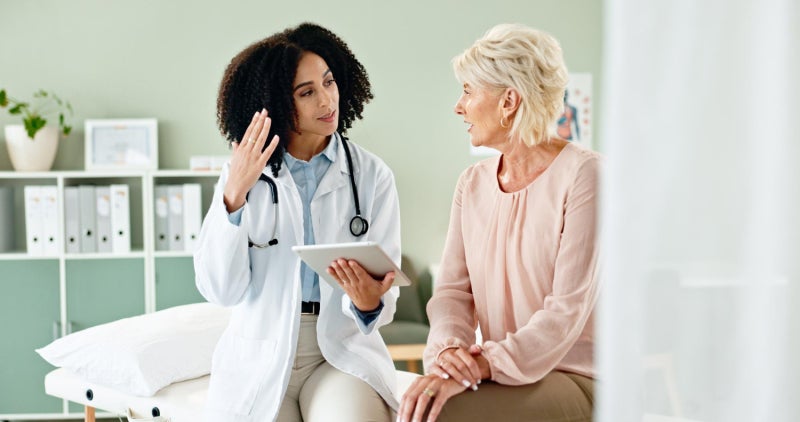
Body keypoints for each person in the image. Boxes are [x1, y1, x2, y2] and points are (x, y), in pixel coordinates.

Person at [194, 22, 402, 422]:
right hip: (262, 348)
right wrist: (234, 196)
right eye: (307, 93)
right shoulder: (243, 176)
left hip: (339, 352)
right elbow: (220, 289)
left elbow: (385, 294)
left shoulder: (372, 176)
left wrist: (368, 301)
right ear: (274, 103)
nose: (327, 101)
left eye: (328, 83)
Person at [398, 23, 601, 422]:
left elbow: (565, 312)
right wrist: (450, 353)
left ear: (509, 100)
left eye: (469, 91)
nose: (459, 106)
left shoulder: (586, 176)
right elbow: (453, 294)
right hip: (504, 373)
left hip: (576, 375)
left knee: (437, 413)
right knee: (414, 402)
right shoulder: (471, 184)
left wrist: (482, 364)